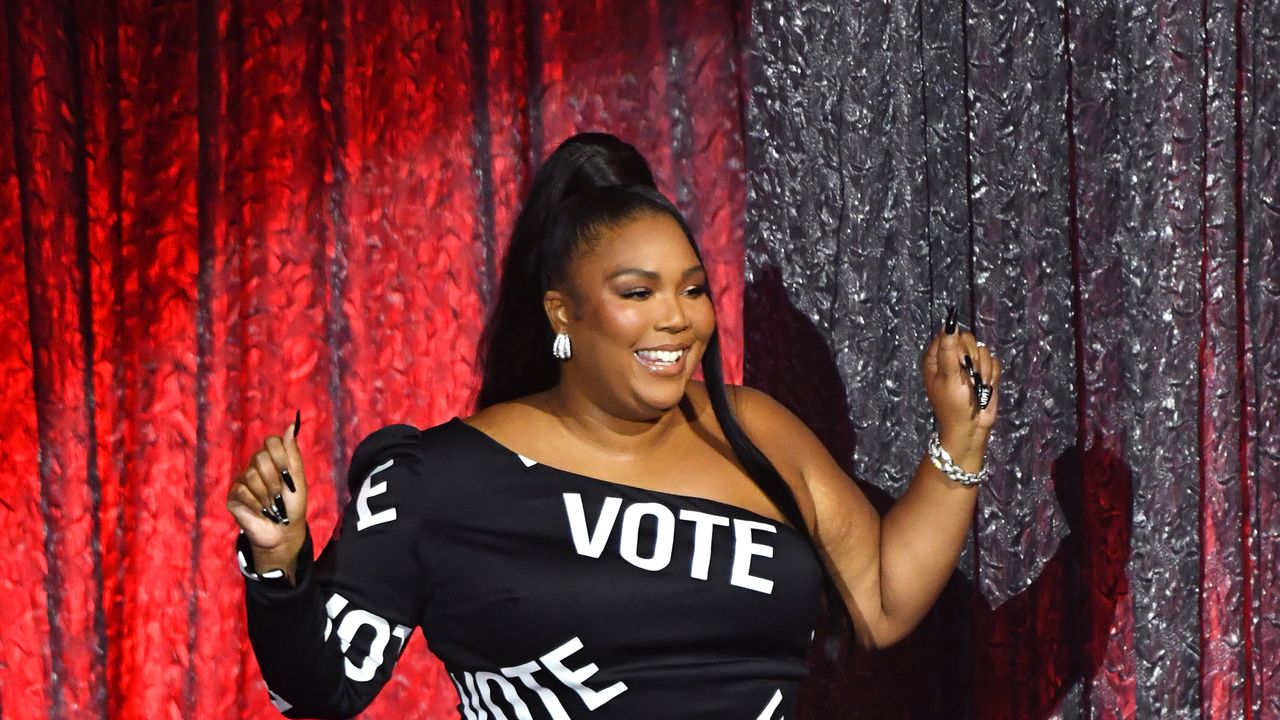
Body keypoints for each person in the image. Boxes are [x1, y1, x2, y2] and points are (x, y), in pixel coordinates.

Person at [226, 132, 1001, 719]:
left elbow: (881, 598)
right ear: (564, 311)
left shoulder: (755, 430)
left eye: (692, 290)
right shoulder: (437, 480)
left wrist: (960, 440)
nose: (675, 318)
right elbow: (319, 689)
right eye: (638, 292)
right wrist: (278, 564)